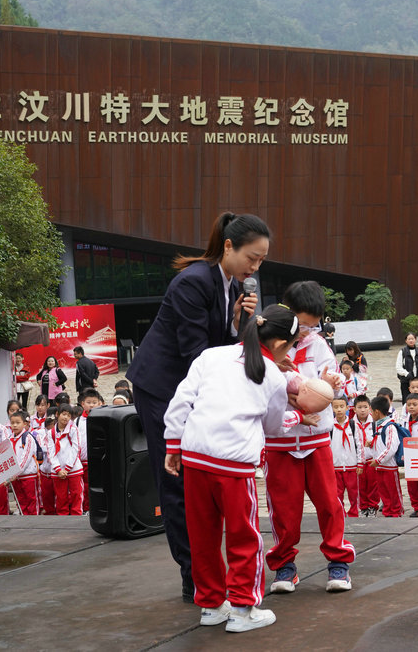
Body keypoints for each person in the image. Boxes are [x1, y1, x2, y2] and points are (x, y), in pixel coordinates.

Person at [125, 212, 267, 601]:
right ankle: (195, 577)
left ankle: (207, 573)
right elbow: (197, 355)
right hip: (163, 388)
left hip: (190, 387)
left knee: (198, 480)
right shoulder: (194, 281)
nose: (255, 267)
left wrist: (238, 323)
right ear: (228, 246)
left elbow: (216, 348)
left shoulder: (227, 284)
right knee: (176, 479)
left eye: (261, 261)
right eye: (252, 258)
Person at [163, 304, 297, 633]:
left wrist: (173, 443)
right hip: (234, 463)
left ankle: (211, 604)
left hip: (195, 455)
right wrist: (298, 415)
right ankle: (242, 608)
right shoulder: (273, 375)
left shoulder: (212, 355)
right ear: (281, 344)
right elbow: (274, 426)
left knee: (202, 535)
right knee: (243, 536)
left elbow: (181, 400)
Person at [264, 281, 355, 595]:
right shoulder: (267, 343)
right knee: (283, 509)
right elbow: (258, 382)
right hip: (280, 440)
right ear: (287, 313)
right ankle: (284, 566)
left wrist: (331, 384)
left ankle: (338, 562)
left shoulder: (319, 346)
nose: (306, 332)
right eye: (302, 326)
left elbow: (331, 389)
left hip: (315, 439)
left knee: (329, 503)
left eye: (313, 326)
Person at [369, 395, 404, 517]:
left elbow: (391, 447)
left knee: (393, 492)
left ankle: (396, 512)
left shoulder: (389, 427)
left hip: (389, 466)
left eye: (371, 412)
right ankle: (388, 512)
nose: (371, 415)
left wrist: (378, 460)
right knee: (384, 492)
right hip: (380, 467)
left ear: (377, 412)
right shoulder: (379, 426)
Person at [331, 397, 360, 518]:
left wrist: (360, 463)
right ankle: (340, 513)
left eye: (341, 407)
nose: (339, 410)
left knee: (354, 492)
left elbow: (359, 445)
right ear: (332, 409)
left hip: (351, 465)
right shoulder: (330, 426)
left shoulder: (353, 425)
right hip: (336, 466)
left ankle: (354, 512)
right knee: (337, 493)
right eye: (336, 407)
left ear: (347, 408)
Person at [8, 410, 41, 515]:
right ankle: (24, 520)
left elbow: (25, 458)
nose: (15, 425)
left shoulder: (27, 437)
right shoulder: (9, 439)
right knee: (20, 501)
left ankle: (33, 521)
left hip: (28, 476)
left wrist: (15, 472)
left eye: (18, 423)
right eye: (12, 423)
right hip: (16, 477)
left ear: (24, 424)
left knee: (31, 500)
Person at [395, 333, 418, 399]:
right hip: (406, 381)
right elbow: (398, 367)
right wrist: (406, 374)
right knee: (406, 398)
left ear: (415, 340)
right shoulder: (402, 351)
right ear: (406, 340)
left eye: (412, 339)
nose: (411, 340)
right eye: (409, 339)